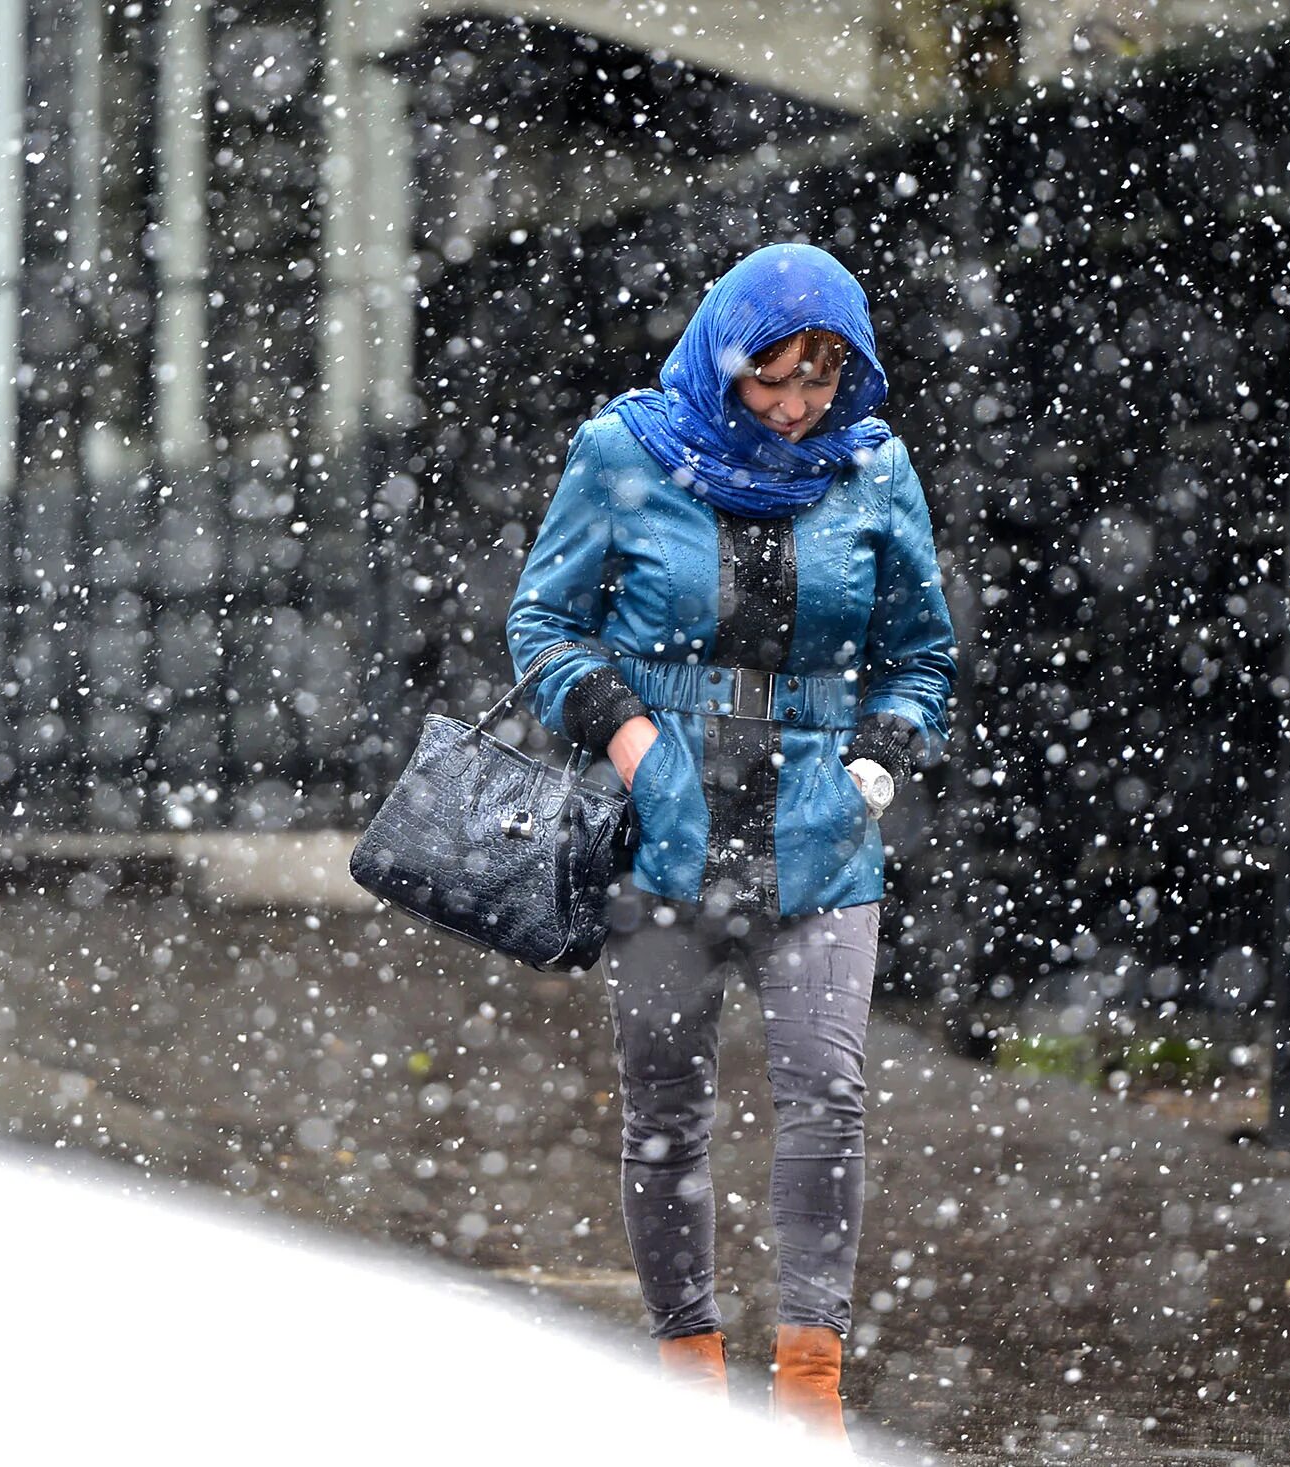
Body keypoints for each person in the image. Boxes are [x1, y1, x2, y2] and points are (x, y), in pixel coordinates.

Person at [504, 243, 958, 1445]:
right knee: (665, 1112)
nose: (795, 406)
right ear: (724, 360)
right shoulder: (626, 453)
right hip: (666, 838)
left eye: (819, 377)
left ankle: (809, 1394)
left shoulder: (871, 470)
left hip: (822, 838)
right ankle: (688, 1389)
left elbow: (922, 651)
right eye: (771, 378)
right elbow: (544, 624)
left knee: (828, 1099)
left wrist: (877, 759)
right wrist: (634, 742)